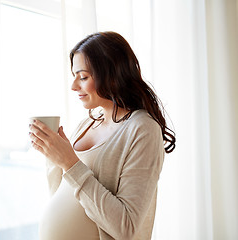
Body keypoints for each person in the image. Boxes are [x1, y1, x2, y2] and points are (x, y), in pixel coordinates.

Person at [29, 31, 176, 240]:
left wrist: (69, 162)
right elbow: (64, 193)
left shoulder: (142, 129)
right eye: (74, 77)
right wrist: (53, 156)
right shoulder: (86, 124)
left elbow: (125, 227)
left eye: (83, 77)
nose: (74, 86)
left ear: (111, 73)